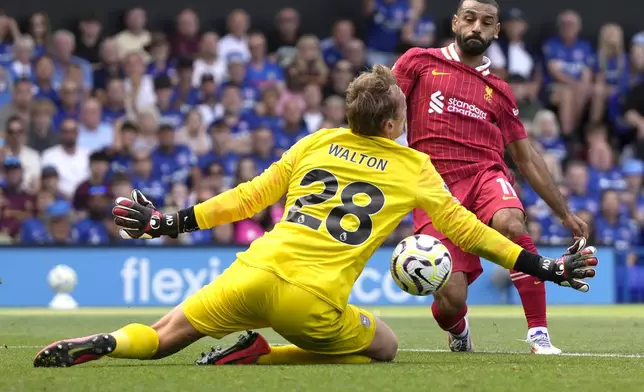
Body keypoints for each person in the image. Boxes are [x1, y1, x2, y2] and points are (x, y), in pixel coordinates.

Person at [33, 65, 597, 368]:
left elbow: (245, 199)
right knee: (386, 346)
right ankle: (263, 354)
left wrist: (166, 224)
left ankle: (109, 341)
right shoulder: (414, 166)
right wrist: (541, 266)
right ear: (395, 122)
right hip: (312, 302)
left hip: (252, 271)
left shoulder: (315, 143)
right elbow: (469, 230)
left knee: (162, 336)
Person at [392, 0, 589, 355]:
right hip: (434, 188)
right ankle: (459, 329)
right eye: (469, 19)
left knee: (512, 223)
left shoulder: (500, 91)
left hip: (485, 175)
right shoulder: (418, 61)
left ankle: (538, 334)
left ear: (496, 31)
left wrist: (564, 212)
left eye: (486, 22)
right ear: (456, 22)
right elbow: (383, 111)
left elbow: (525, 158)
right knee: (450, 298)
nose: (476, 27)